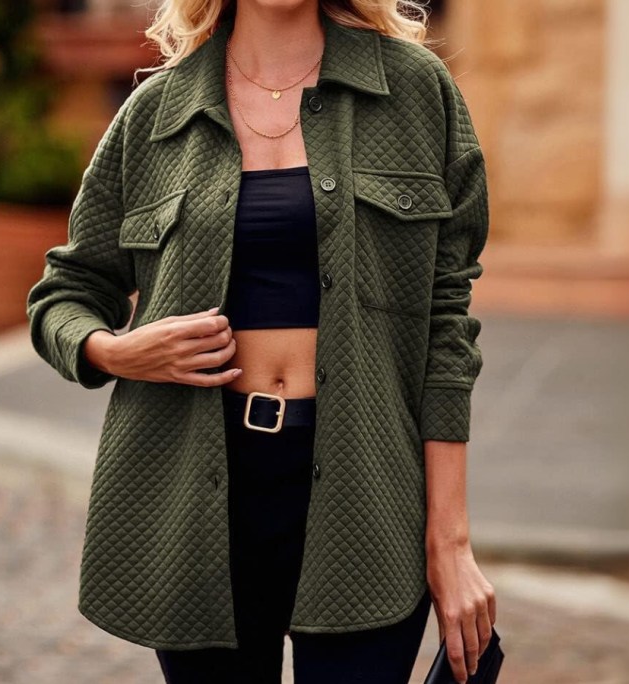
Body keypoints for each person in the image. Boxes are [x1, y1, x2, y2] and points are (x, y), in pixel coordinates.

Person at [26, 0, 497, 682]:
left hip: (366, 489)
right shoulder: (155, 113)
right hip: (192, 494)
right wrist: (116, 351)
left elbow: (446, 321)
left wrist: (450, 541)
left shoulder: (414, 91)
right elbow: (65, 292)